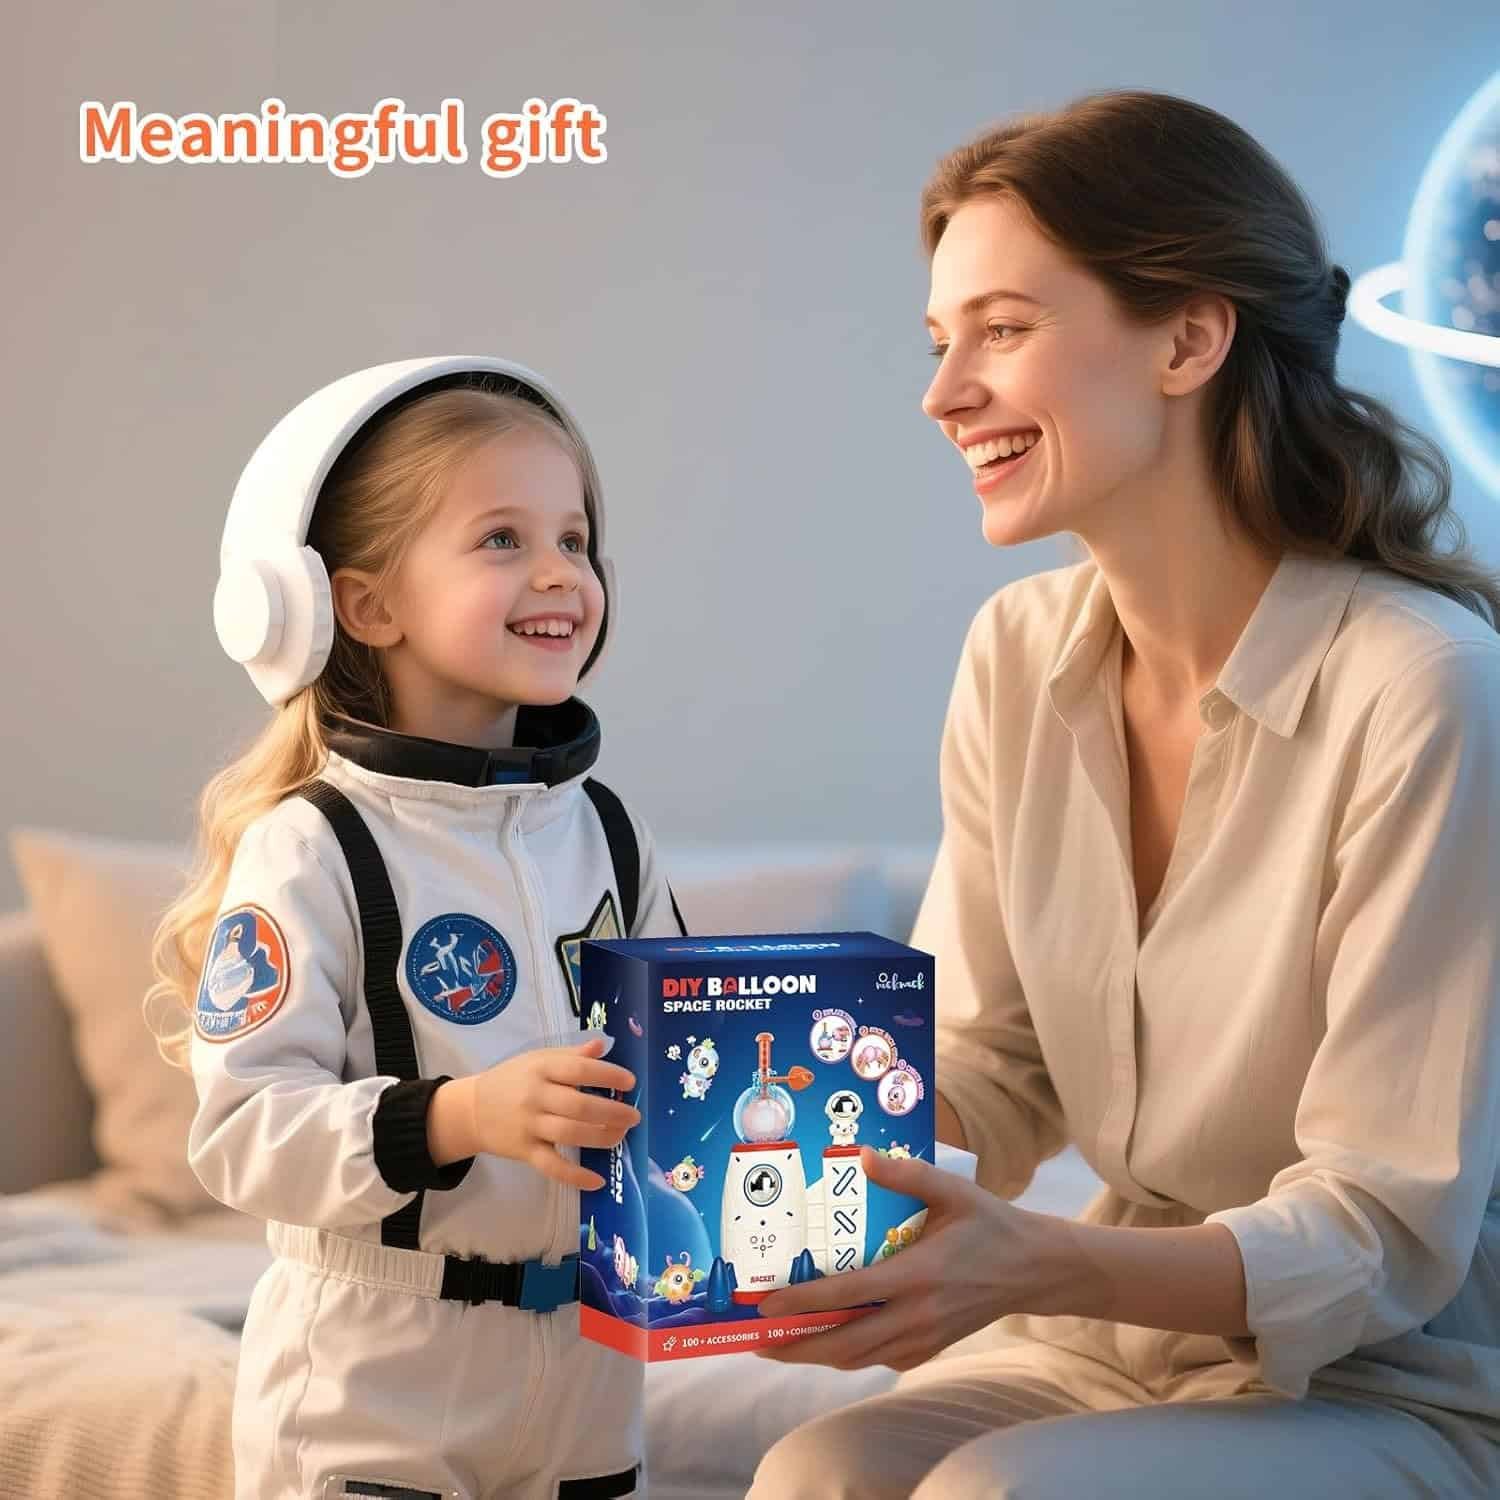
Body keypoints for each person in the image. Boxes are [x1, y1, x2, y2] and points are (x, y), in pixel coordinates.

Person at [745, 89, 1500, 1499]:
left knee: (999, 1495)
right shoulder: (1017, 656)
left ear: (1189, 338)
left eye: (1004, 329)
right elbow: (994, 1067)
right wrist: (738, 1107)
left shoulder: (1428, 688)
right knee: (815, 1472)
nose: (944, 390)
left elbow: (1389, 1228)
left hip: (1402, 1379)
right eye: (939, 340)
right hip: (1117, 1346)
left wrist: (1036, 1255)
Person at [148, 355, 686, 1500]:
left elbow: (682, 1087)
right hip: (375, 1390)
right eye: (503, 539)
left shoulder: (606, 834)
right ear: (365, 603)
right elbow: (243, 1129)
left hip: (588, 1392)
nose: (559, 573)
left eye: (575, 540)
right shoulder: (314, 845)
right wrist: (462, 1115)